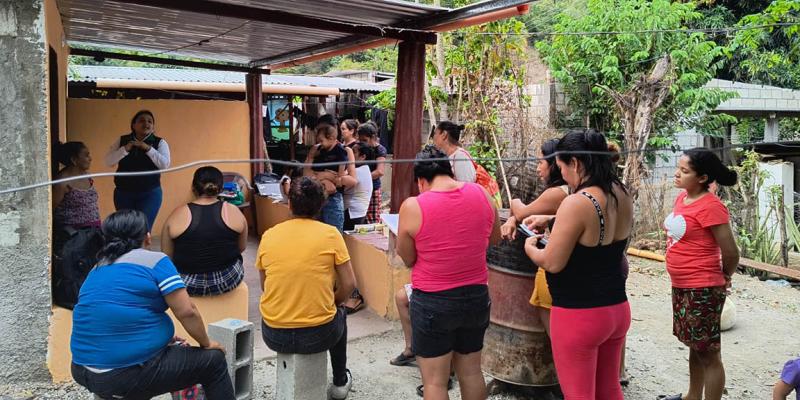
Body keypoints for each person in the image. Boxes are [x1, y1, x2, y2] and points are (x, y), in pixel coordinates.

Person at [70, 210, 233, 399]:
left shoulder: (97, 268)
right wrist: (207, 343)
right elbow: (187, 311)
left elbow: (111, 316)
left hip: (83, 370)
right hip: (124, 374)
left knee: (148, 369)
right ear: (147, 237)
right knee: (214, 361)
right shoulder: (155, 261)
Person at [523, 129, 632, 400]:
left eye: (562, 167)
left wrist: (531, 248)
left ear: (575, 163)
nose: (564, 176)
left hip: (579, 314)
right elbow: (596, 236)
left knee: (578, 395)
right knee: (609, 389)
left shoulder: (577, 202)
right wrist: (550, 220)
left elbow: (553, 262)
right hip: (616, 308)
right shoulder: (621, 192)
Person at [397, 145, 500, 400]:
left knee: (434, 382)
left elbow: (408, 258)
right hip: (476, 297)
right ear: (449, 170)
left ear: (421, 180)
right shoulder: (482, 194)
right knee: (472, 373)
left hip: (434, 302)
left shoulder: (413, 206)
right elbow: (494, 239)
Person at [255, 177, 357, 400]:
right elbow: (350, 285)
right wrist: (334, 300)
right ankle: (340, 382)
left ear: (289, 204)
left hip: (274, 333)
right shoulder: (331, 234)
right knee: (340, 313)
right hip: (320, 334)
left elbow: (265, 286)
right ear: (321, 205)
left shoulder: (269, 235)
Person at [660, 148, 739, 400]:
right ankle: (692, 396)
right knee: (696, 347)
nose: (677, 174)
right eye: (678, 168)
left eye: (684, 171)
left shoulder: (712, 206)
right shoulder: (682, 199)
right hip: (683, 285)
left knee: (709, 354)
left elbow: (731, 252)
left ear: (702, 178)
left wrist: (725, 276)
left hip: (702, 288)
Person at [500, 139, 568, 337]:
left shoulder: (557, 192)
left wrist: (514, 202)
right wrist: (514, 217)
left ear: (555, 164)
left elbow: (523, 212)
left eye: (540, 162)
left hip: (552, 268)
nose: (538, 168)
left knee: (557, 336)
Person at [161, 166, 248, 296]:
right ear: (220, 188)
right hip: (227, 279)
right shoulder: (234, 211)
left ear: (193, 188)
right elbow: (241, 247)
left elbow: (167, 254)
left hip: (188, 283)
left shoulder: (177, 214)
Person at [105, 110, 171, 230]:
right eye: (141, 121)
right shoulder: (122, 140)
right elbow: (109, 161)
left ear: (153, 126)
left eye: (150, 121)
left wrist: (147, 149)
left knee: (143, 229)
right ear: (133, 125)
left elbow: (165, 164)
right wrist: (125, 149)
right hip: (123, 193)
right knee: (126, 229)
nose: (146, 123)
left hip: (150, 193)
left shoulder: (160, 142)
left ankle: (142, 248)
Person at [305, 123, 357, 232]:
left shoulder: (343, 150)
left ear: (332, 138)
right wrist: (324, 179)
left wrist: (336, 177)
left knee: (333, 233)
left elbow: (351, 180)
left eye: (321, 140)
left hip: (333, 197)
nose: (319, 143)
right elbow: (307, 174)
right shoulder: (318, 151)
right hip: (316, 196)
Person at [53, 141, 101, 230]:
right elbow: (52, 208)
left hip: (94, 232)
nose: (90, 159)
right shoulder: (63, 182)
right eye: (86, 155)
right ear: (74, 160)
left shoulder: (87, 176)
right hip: (74, 236)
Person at [357, 122, 387, 224]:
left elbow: (380, 171)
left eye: (365, 140)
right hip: (357, 189)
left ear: (373, 137)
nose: (362, 143)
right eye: (360, 140)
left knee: (372, 221)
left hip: (373, 189)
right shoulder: (358, 148)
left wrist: (361, 178)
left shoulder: (380, 150)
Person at [343, 142, 375, 231]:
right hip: (358, 212)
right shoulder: (365, 170)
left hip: (352, 212)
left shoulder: (358, 171)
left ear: (363, 157)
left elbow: (341, 180)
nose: (350, 154)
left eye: (354, 152)